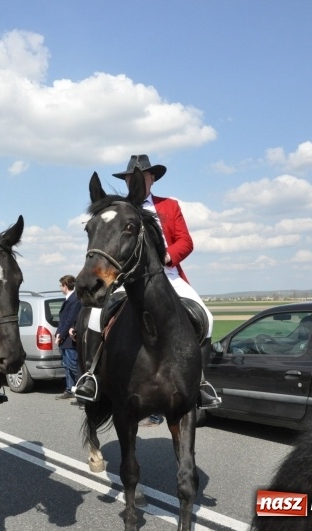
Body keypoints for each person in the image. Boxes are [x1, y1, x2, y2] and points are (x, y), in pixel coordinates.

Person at [73, 155, 221, 410]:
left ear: (151, 179)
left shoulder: (170, 206)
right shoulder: (118, 208)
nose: (137, 180)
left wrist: (167, 256)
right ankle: (92, 374)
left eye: (143, 176)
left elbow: (186, 241)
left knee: (207, 318)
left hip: (168, 275)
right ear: (128, 180)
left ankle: (199, 382)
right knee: (97, 317)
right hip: (124, 276)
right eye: (131, 177)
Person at [55, 275, 82, 401]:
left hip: (70, 339)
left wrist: (61, 335)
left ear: (65, 286)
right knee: (66, 365)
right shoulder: (69, 299)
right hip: (65, 339)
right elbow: (63, 320)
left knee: (73, 365)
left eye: (61, 285)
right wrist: (58, 334)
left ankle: (82, 390)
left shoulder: (75, 299)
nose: (60, 288)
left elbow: (70, 320)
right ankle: (69, 389)